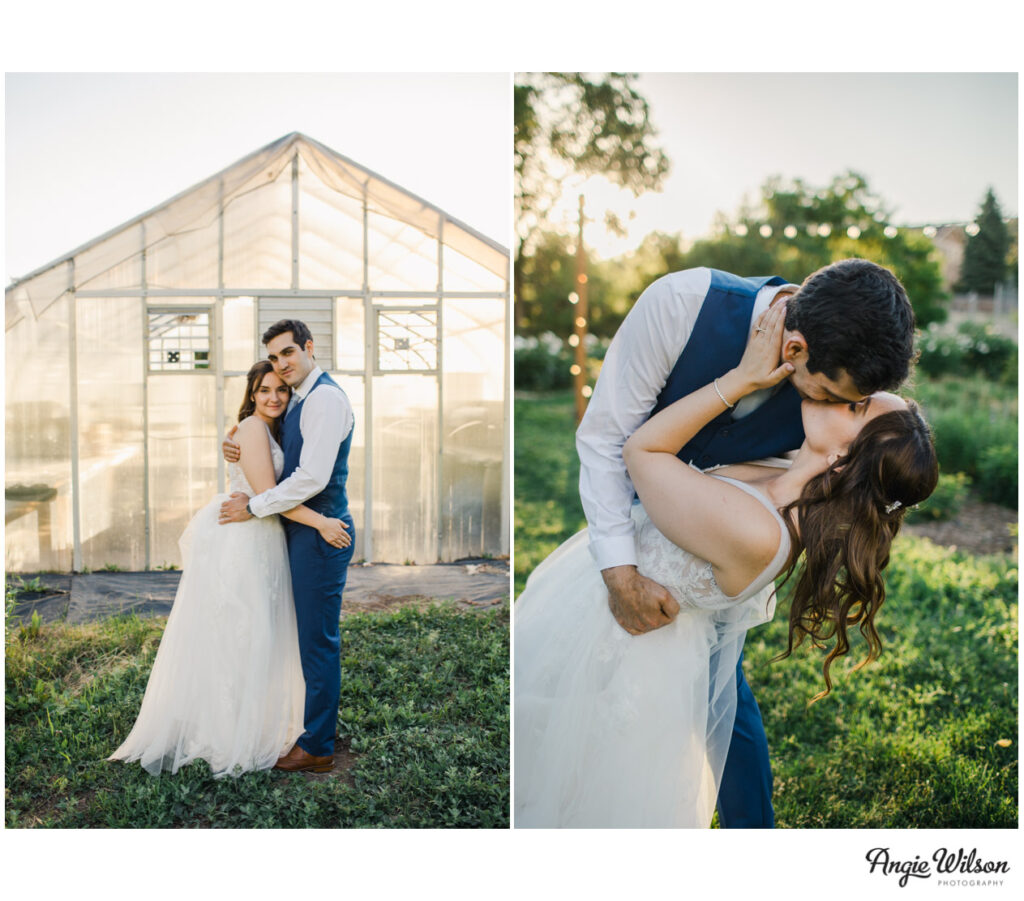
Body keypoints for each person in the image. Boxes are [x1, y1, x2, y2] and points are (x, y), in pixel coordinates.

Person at [514, 301, 938, 827]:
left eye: (857, 408)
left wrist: (738, 381)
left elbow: (643, 452)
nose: (847, 397)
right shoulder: (782, 478)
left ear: (843, 457)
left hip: (627, 645)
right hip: (608, 620)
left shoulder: (760, 531)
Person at [109, 362, 351, 777]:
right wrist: (322, 522)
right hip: (248, 538)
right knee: (244, 632)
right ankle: (232, 729)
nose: (273, 397)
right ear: (251, 394)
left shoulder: (269, 428)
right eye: (263, 390)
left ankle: (253, 719)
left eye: (280, 390)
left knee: (253, 632)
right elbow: (266, 493)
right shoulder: (255, 429)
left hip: (263, 534)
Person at [219, 319, 355, 774]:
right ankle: (306, 724)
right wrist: (235, 438)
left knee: (317, 642)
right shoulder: (299, 398)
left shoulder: (325, 399)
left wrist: (255, 505)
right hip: (297, 530)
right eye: (274, 358)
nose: (282, 365)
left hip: (320, 532)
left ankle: (317, 745)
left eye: (288, 353)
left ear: (309, 348)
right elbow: (266, 436)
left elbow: (312, 478)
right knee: (298, 637)